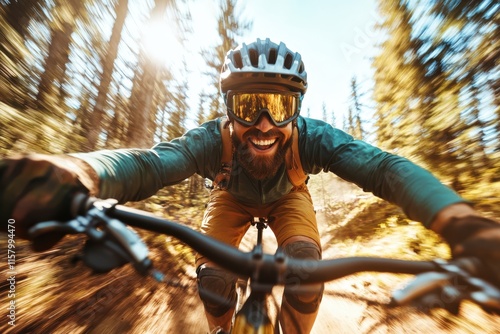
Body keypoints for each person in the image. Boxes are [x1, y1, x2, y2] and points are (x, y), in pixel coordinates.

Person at [1, 38, 499, 334]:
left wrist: (461, 222)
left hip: (290, 199)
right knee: (214, 279)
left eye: (278, 107)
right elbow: (148, 164)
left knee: (306, 264)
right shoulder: (208, 141)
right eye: (247, 107)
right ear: (229, 110)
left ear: (296, 110)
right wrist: (78, 172)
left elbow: (384, 168)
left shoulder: (315, 139)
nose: (262, 124)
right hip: (231, 198)